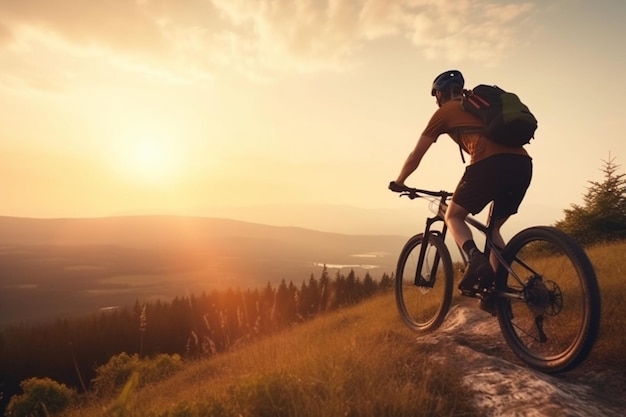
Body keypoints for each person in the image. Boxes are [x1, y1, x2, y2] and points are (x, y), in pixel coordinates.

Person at [389, 69, 533, 313]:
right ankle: (497, 293)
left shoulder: (444, 112)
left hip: (489, 163)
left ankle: (475, 259)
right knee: (493, 228)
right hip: (522, 165)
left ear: (440, 95)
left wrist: (400, 180)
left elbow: (416, 155)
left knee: (453, 215)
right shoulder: (479, 106)